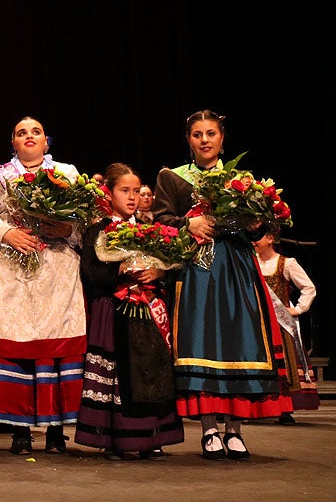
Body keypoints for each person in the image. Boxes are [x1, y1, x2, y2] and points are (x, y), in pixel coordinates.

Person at [152, 109, 290, 460]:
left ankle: (236, 430)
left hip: (237, 269)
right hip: (196, 271)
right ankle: (209, 428)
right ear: (189, 140)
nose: (205, 140)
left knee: (235, 341)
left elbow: (256, 230)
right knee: (202, 340)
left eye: (211, 133)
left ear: (222, 138)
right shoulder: (172, 178)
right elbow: (161, 220)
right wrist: (190, 223)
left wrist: (259, 221)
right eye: (197, 134)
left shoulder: (241, 180)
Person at [0, 116, 86, 456]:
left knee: (57, 347)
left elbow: (86, 215)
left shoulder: (67, 174)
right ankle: (20, 430)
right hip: (15, 269)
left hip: (58, 271)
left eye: (35, 132)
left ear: (46, 142)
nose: (29, 137)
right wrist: (9, 233)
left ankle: (55, 430)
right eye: (22, 133)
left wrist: (65, 229)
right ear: (14, 142)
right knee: (17, 346)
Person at [74, 163, 184, 460]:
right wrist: (119, 269)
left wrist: (158, 273)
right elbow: (90, 275)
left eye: (136, 191)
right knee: (117, 373)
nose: (132, 197)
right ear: (108, 194)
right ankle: (115, 437)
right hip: (112, 312)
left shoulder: (150, 230)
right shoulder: (98, 231)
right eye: (125, 191)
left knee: (150, 369)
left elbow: (172, 266)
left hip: (147, 312)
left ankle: (152, 436)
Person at [253, 227, 319, 424]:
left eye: (259, 237)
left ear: (271, 238)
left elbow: (309, 288)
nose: (254, 241)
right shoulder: (251, 263)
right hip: (258, 323)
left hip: (280, 326)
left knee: (284, 366)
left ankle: (285, 409)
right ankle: (256, 405)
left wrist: (298, 309)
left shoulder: (286, 263)